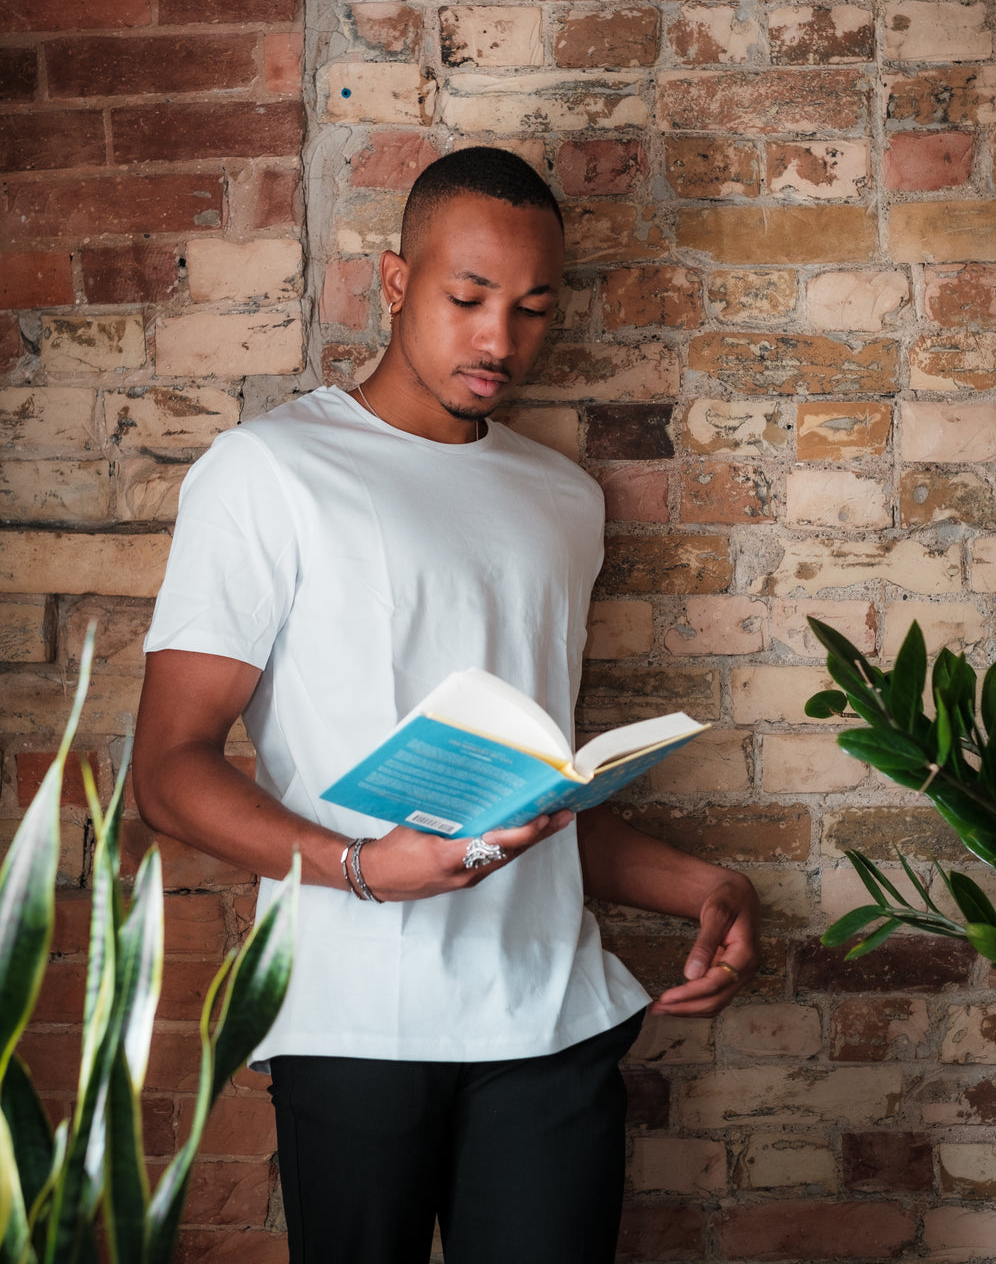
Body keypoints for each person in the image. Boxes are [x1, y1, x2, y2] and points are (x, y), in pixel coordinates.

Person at [133, 146, 760, 1264]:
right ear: (393, 280)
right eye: (466, 298)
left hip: (549, 1016)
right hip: (354, 1018)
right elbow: (169, 769)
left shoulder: (561, 499)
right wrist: (366, 869)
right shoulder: (268, 471)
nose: (498, 341)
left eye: (529, 308)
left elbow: (534, 800)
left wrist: (702, 887)